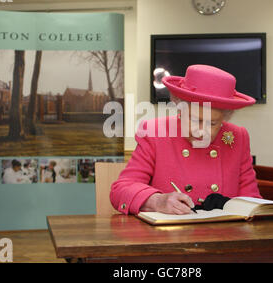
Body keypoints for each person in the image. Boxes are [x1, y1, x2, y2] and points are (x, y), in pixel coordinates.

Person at [110, 65, 261, 215]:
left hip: (224, 234)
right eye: (194, 120)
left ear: (225, 118)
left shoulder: (238, 137)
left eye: (212, 123)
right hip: (169, 236)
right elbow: (121, 190)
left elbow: (251, 200)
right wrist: (156, 201)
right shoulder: (155, 132)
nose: (200, 131)